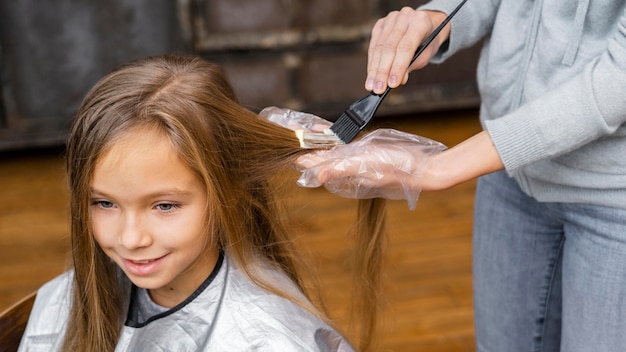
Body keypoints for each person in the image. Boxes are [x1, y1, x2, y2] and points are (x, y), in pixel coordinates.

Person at [296, 1, 626, 351]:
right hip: (509, 178)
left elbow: (617, 80)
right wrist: (437, 19)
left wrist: (438, 167)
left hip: (612, 199)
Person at [17, 54, 391, 351]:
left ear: (228, 189)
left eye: (164, 206)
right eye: (104, 203)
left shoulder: (272, 340)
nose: (130, 239)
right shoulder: (71, 299)